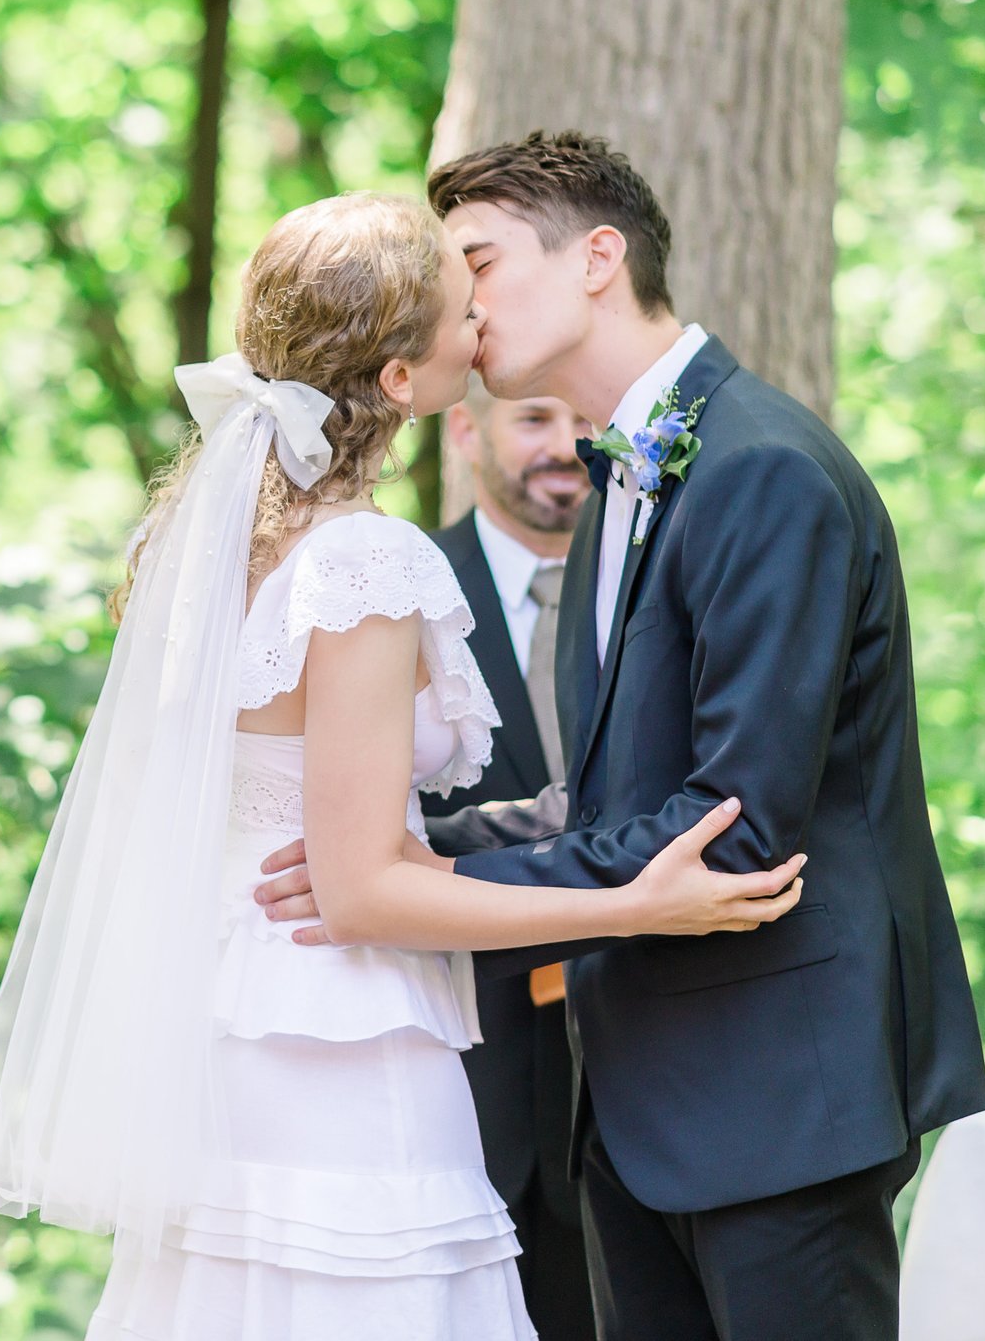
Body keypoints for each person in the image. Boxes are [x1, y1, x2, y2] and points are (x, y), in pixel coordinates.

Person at [0, 190, 805, 1341]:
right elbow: (358, 894)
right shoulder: (357, 561)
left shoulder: (213, 541)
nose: (484, 328)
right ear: (403, 383)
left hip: (229, 1023)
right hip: (333, 1044)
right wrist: (634, 903)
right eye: (462, 311)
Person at [256, 134, 985, 1341]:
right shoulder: (621, 481)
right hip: (639, 1101)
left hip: (777, 1094)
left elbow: (735, 825)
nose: (457, 303)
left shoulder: (760, 469)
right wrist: (406, 847)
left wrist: (422, 885)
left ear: (599, 256)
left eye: (477, 262)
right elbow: (614, 797)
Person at [422, 383, 594, 1339]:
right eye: (534, 418)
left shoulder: (653, 582)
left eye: (582, 422)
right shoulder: (404, 588)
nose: (565, 445)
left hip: (642, 1078)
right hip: (464, 1070)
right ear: (465, 429)